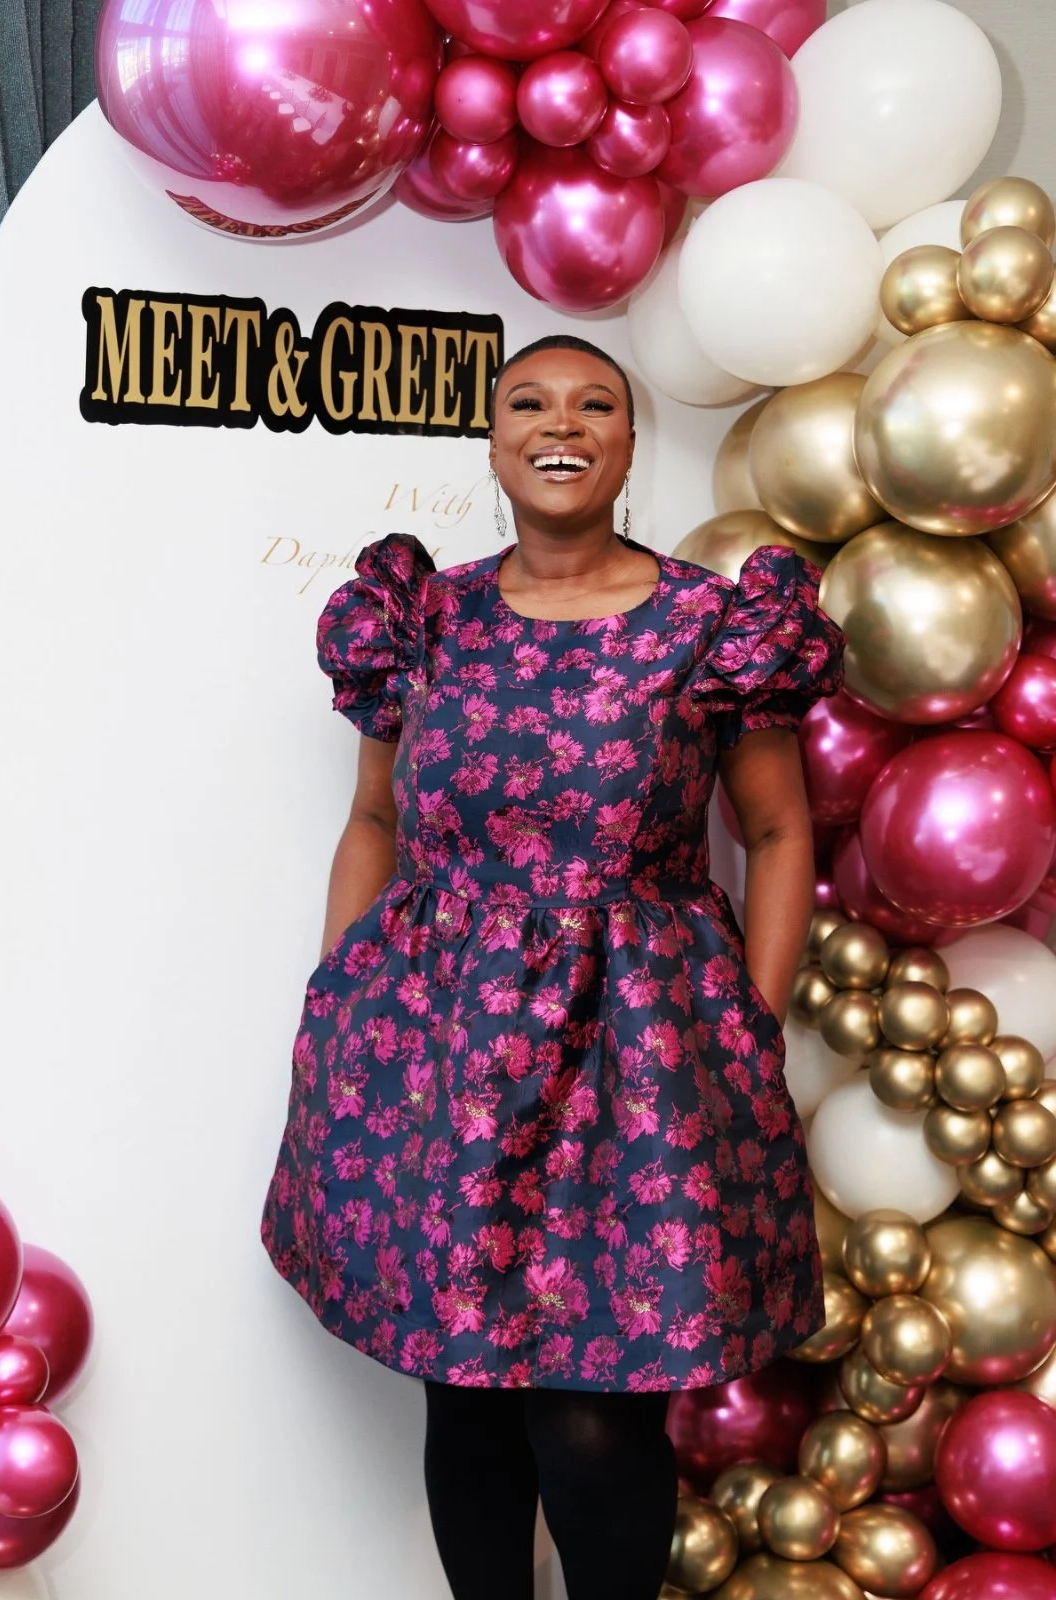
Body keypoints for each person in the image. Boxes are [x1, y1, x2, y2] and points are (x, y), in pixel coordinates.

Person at [261, 333, 845, 1600]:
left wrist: (750, 1020)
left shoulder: (710, 623)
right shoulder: (422, 620)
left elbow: (777, 832)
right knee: (466, 1399)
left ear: (631, 444)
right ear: (493, 441)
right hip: (442, 1056)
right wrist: (338, 998)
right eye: (527, 402)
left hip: (635, 1064)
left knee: (592, 1420)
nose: (559, 424)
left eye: (594, 404)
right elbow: (374, 818)